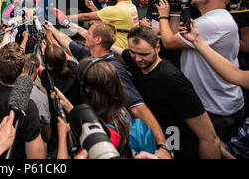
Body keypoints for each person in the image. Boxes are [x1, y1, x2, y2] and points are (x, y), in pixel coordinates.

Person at [44, 20, 171, 159]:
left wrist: (162, 145)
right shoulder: (88, 54)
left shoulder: (114, 69)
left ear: (97, 40)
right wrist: (50, 29)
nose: (85, 34)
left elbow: (138, 108)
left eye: (89, 33)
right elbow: (66, 41)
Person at [157, 0, 244, 143]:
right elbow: (176, 38)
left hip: (214, 106)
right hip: (218, 100)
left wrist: (163, 16)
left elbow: (168, 42)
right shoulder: (213, 19)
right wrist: (174, 11)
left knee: (207, 146)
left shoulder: (212, 23)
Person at [111, 26, 222, 159]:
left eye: (144, 54)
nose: (138, 58)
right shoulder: (137, 60)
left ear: (157, 48)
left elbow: (209, 138)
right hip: (152, 141)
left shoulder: (171, 79)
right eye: (133, 52)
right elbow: (122, 53)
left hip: (175, 144)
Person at [67, 0, 138, 49]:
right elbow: (105, 16)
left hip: (118, 52)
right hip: (127, 48)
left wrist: (64, 17)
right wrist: (92, 7)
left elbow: (85, 16)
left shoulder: (116, 10)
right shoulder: (131, 6)